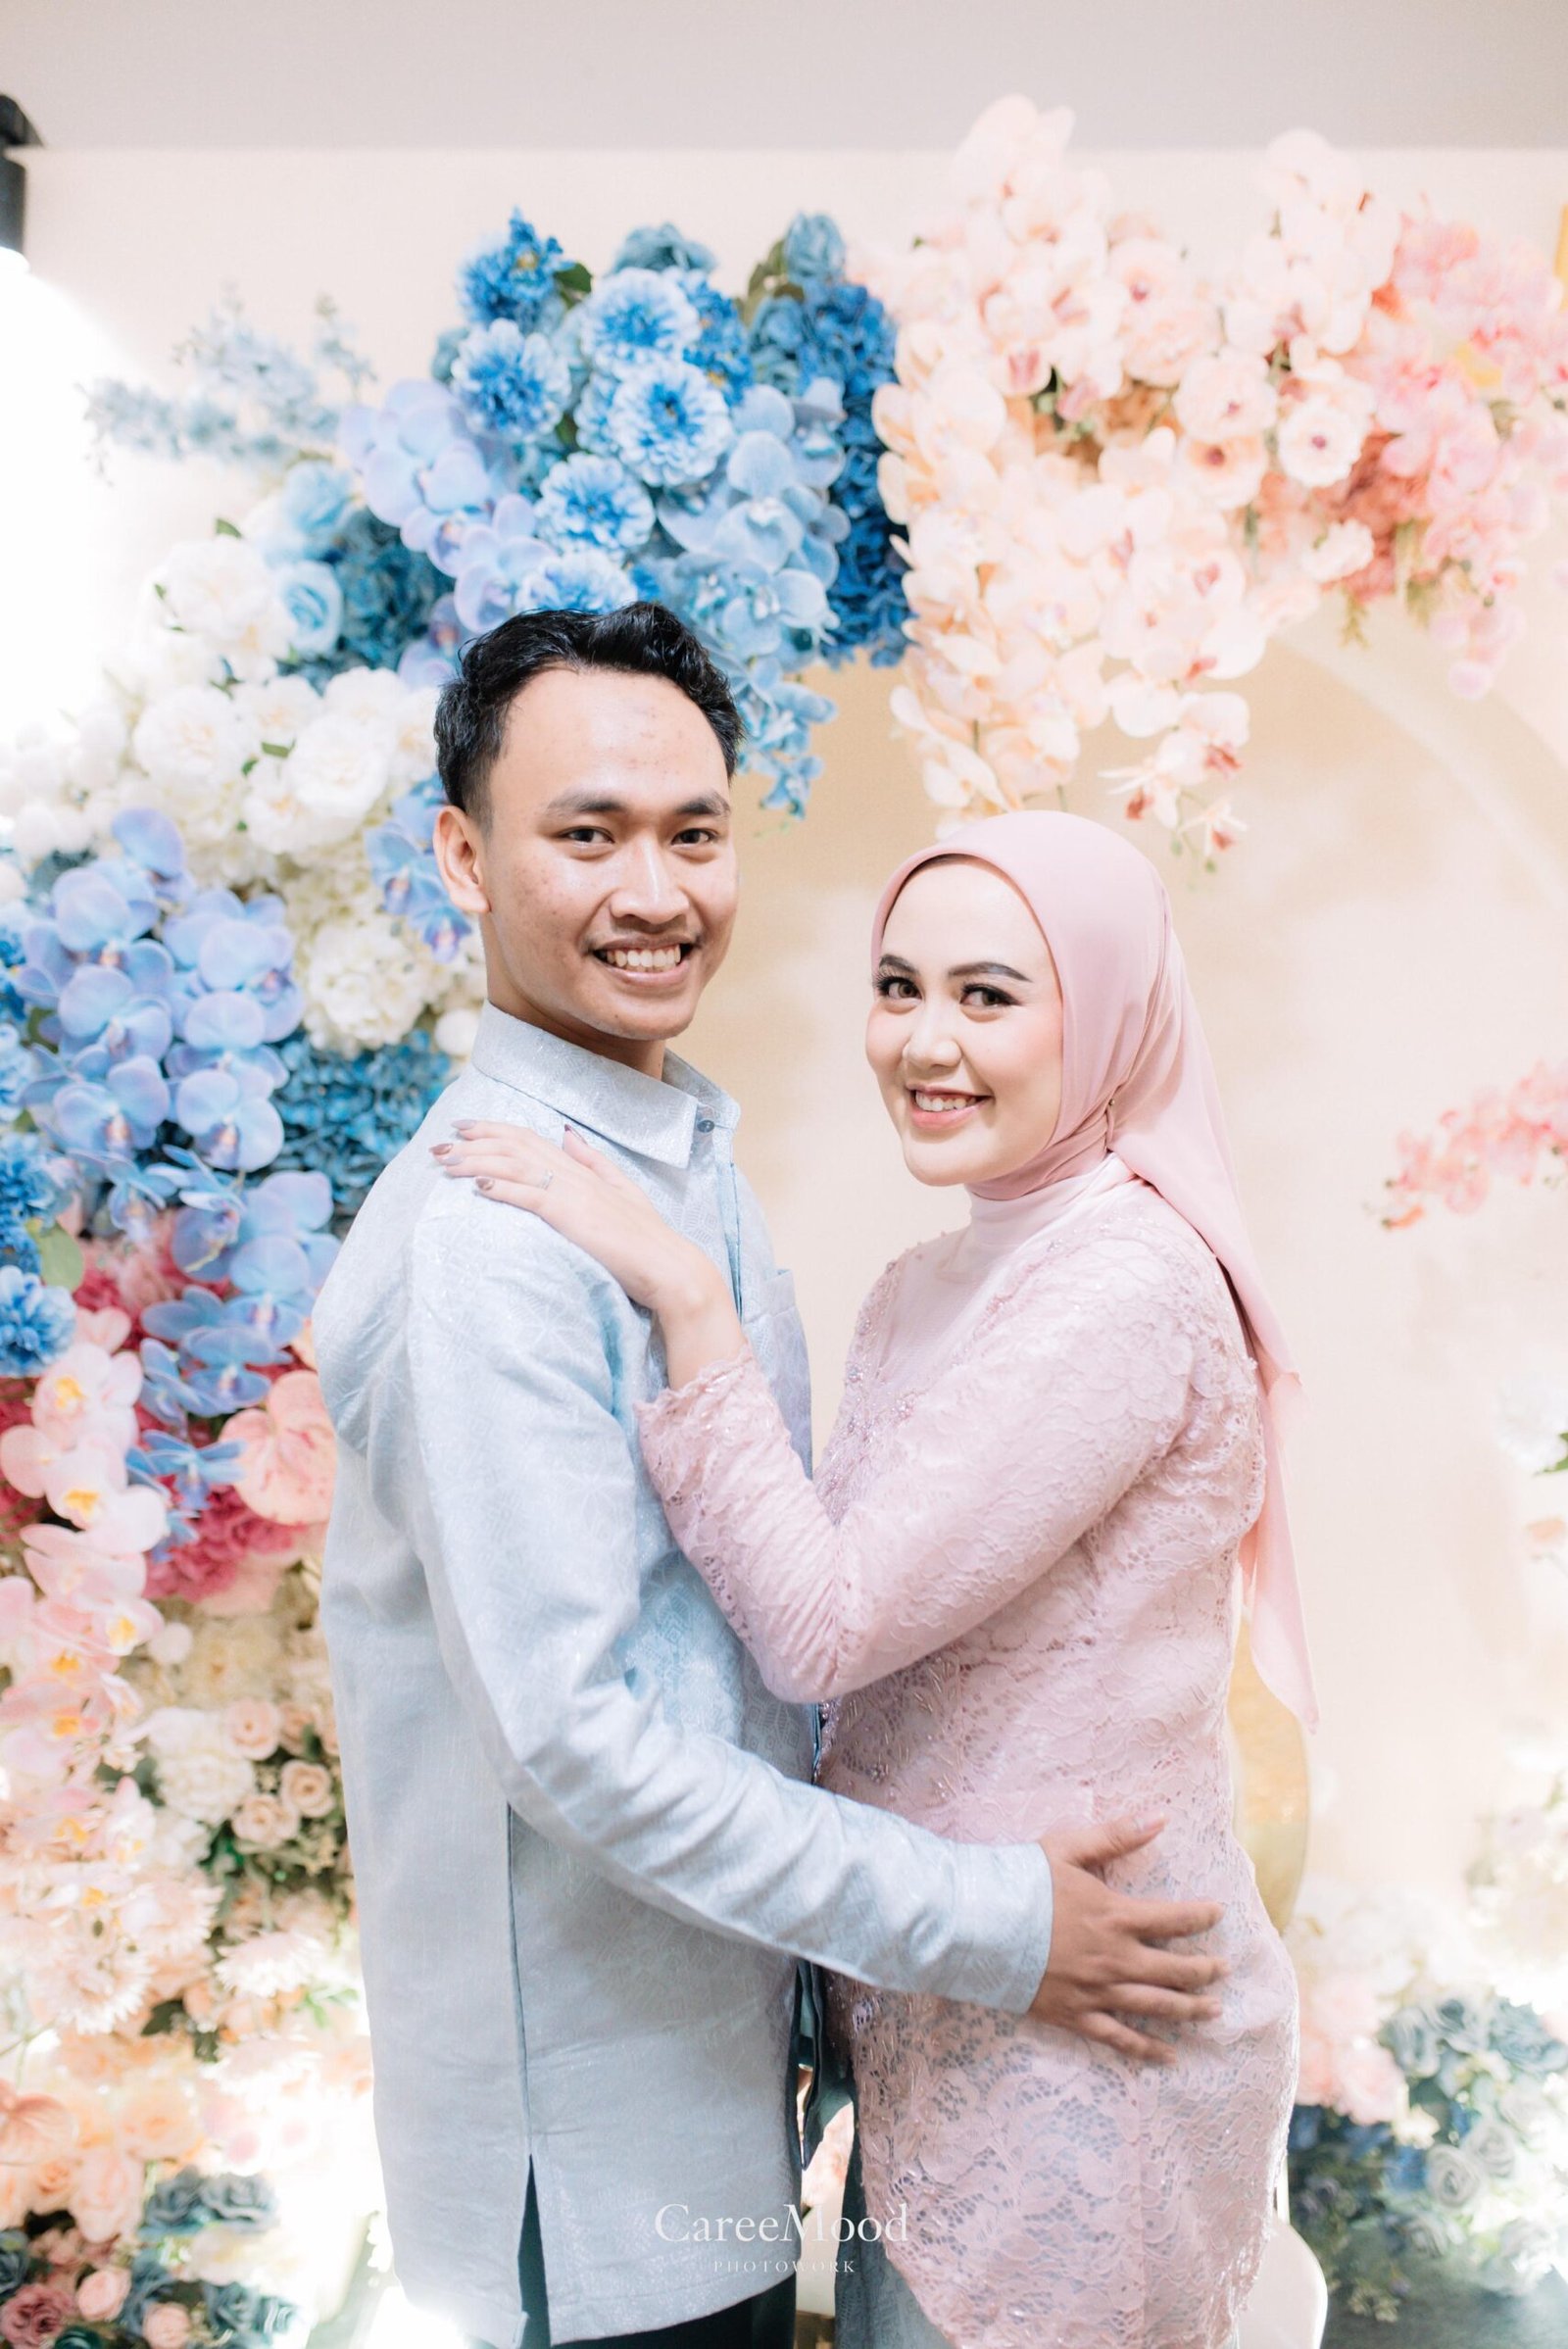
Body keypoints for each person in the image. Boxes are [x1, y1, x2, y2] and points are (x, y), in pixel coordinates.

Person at [314, 606, 1233, 2349]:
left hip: (724, 2099)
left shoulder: (671, 1164)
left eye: (694, 832)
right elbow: (579, 1744)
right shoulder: (498, 1237)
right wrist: (986, 1919)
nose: (653, 891)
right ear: (465, 857)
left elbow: (749, 1638)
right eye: (588, 834)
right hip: (594, 2164)